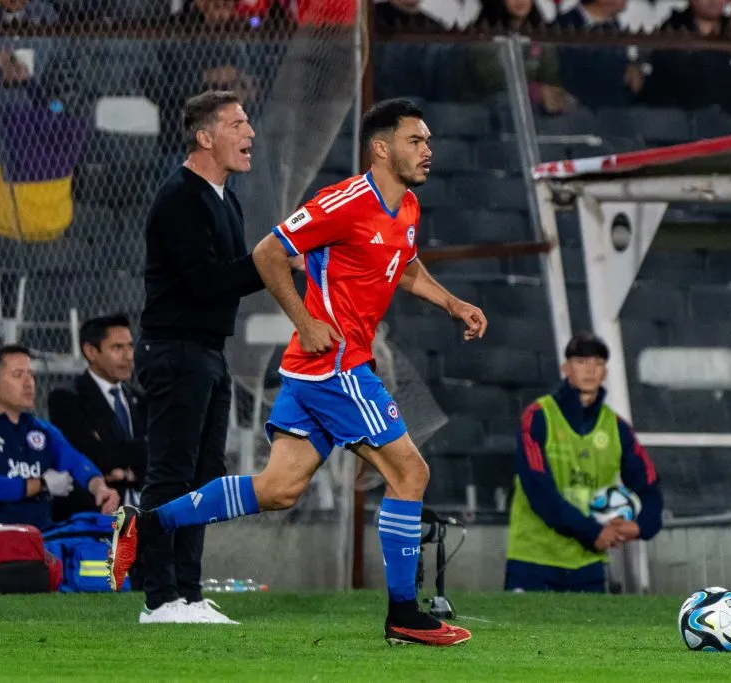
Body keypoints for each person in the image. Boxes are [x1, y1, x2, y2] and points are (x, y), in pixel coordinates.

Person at [108, 99, 487, 646]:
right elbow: (268, 252)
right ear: (381, 148)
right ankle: (404, 613)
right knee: (411, 474)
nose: (427, 151)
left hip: (314, 369)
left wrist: (453, 304)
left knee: (279, 488)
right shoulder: (345, 200)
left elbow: (403, 264)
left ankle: (146, 525)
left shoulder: (406, 209)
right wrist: (306, 320)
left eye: (428, 141)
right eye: (415, 141)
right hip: (336, 362)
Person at [129, 90, 266, 625]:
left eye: (248, 121)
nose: (249, 132)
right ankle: (158, 598)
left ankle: (187, 593)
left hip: (208, 353)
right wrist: (272, 261)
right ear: (204, 136)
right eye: (237, 123)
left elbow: (230, 273)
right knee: (171, 475)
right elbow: (207, 281)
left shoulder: (224, 198)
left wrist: (269, 263)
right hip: (175, 351)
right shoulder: (181, 197)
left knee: (204, 476)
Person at [506, 333, 663, 593]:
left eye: (598, 362)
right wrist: (592, 531)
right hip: (534, 561)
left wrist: (641, 525)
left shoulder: (617, 427)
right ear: (565, 368)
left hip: (588, 566)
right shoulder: (538, 416)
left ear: (605, 372)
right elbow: (538, 489)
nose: (590, 369)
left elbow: (649, 484)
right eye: (581, 361)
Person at [0, 345, 119, 531]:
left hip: (40, 538)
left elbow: (76, 462)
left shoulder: (44, 431)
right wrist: (43, 484)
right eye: (18, 375)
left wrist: (99, 487)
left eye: (30, 374)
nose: (29, 382)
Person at [47, 314, 147, 522]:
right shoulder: (67, 398)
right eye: (117, 348)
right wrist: (139, 453)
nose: (129, 356)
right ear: (91, 351)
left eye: (130, 346)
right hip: (93, 515)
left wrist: (123, 470)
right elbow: (92, 456)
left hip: (143, 512)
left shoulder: (140, 399)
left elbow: (158, 454)